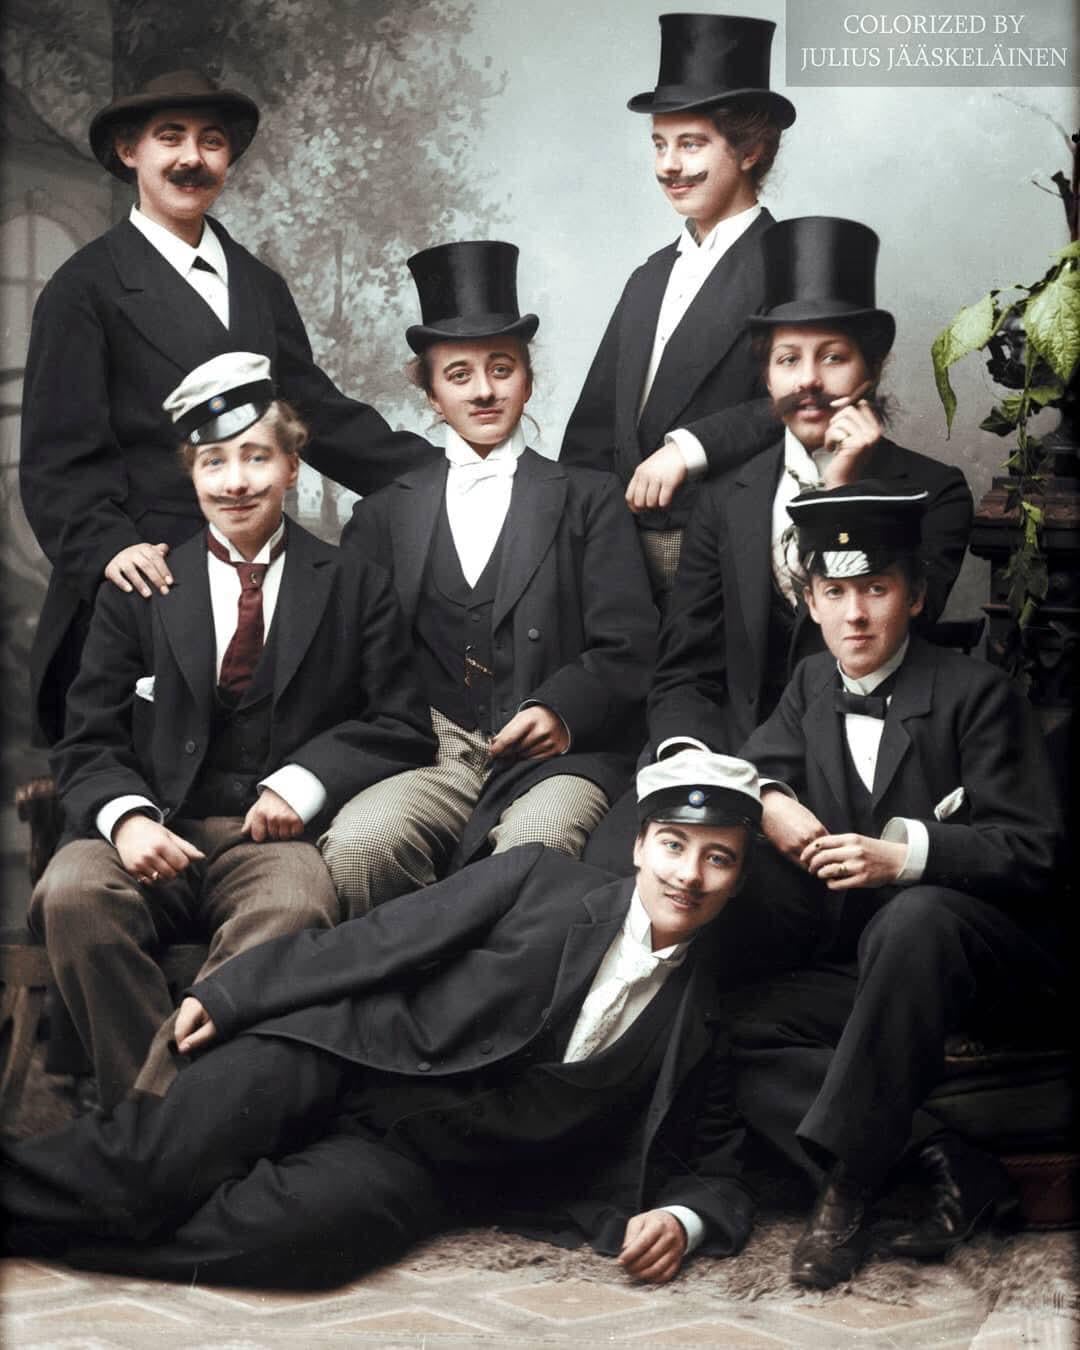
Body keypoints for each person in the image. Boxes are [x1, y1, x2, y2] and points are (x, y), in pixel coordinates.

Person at [7, 752, 788, 1290]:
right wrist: (232, 994)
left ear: (738, 874)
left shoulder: (707, 1016)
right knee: (154, 1164)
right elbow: (382, 939)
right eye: (674, 847)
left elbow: (720, 1171)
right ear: (643, 846)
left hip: (423, 1165)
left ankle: (39, 1228)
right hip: (339, 1051)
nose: (688, 875)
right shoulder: (539, 880)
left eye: (716, 858)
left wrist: (685, 1221)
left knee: (289, 1243)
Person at [26, 352, 436, 1111]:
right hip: (157, 831)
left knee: (296, 905)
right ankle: (166, 1121)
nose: (235, 481)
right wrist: (127, 818)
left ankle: (151, 1139)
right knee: (72, 890)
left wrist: (303, 782)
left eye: (256, 457)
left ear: (292, 466)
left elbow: (401, 725)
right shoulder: (142, 586)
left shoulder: (352, 582)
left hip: (268, 845)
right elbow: (87, 736)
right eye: (214, 461)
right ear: (192, 474)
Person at [20, 69, 438, 745]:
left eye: (211, 141)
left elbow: (313, 412)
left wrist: (435, 475)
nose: (192, 157)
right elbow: (54, 460)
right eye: (170, 137)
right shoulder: (85, 288)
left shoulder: (257, 283)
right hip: (147, 578)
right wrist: (108, 547)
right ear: (130, 152)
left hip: (256, 569)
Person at [731, 483, 1062, 1289]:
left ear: (913, 597)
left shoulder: (976, 694)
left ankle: (846, 1188)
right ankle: (939, 1155)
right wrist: (771, 800)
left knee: (915, 916)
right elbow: (759, 768)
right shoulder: (812, 684)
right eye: (835, 593)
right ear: (811, 602)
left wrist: (906, 854)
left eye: (875, 590)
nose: (855, 615)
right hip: (870, 978)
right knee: (725, 1021)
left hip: (981, 968)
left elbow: (1037, 850)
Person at [584, 217, 974, 875]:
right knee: (601, 874)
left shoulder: (935, 494)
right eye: (789, 359)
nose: (809, 381)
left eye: (834, 356)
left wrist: (839, 490)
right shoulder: (726, 498)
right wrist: (716, 774)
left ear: (872, 368)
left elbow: (866, 646)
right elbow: (686, 670)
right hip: (726, 759)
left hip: (856, 776)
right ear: (765, 375)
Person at [321, 241, 656, 913]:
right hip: (428, 756)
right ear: (431, 394)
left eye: (501, 369)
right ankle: (407, 1009)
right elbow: (353, 671)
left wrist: (560, 710)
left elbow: (632, 647)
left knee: (536, 842)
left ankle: (502, 1013)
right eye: (459, 374)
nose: (483, 390)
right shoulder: (384, 517)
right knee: (360, 844)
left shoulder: (588, 499)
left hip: (556, 761)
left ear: (528, 380)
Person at [561, 13, 795, 600]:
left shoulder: (789, 265)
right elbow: (592, 430)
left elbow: (805, 401)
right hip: (617, 556)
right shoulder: (648, 277)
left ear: (751, 149)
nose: (669, 166)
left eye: (691, 144)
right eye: (659, 145)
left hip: (725, 549)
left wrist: (689, 448)